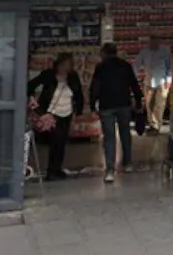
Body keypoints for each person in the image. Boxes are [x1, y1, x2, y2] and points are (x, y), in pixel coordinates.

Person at [89, 42, 145, 183]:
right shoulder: (125, 65)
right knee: (125, 133)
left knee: (109, 137)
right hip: (124, 104)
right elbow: (134, 84)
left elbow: (95, 87)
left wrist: (92, 105)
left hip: (106, 105)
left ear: (104, 53)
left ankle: (110, 170)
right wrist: (138, 101)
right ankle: (128, 163)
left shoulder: (100, 67)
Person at [27, 53, 83, 181]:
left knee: (62, 142)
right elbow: (30, 85)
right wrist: (33, 101)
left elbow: (78, 95)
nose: (65, 68)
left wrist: (77, 112)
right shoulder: (48, 75)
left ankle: (57, 169)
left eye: (68, 65)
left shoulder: (73, 77)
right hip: (51, 114)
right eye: (63, 65)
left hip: (66, 113)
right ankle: (51, 170)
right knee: (56, 141)